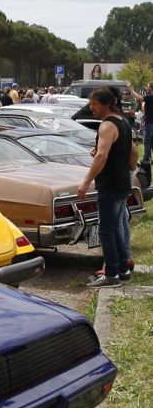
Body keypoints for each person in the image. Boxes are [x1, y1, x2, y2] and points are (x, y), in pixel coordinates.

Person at [78, 87, 137, 287]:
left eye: (94, 104)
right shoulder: (123, 122)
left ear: (106, 104)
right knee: (114, 228)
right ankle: (123, 269)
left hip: (110, 184)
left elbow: (102, 156)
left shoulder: (107, 125)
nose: (91, 108)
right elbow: (131, 152)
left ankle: (111, 274)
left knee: (106, 230)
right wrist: (129, 167)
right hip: (122, 182)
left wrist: (86, 181)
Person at [142, 81, 153, 162]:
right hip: (149, 121)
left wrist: (131, 90)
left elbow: (139, 98)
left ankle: (146, 158)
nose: (147, 88)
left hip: (150, 122)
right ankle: (148, 157)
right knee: (151, 141)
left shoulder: (150, 96)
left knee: (147, 140)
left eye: (148, 86)